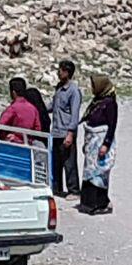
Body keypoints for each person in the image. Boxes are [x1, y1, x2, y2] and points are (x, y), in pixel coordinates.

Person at [78, 73, 118, 215]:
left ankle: (100, 203)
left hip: (101, 141)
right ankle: (88, 202)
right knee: (89, 172)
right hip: (92, 141)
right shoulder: (97, 101)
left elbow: (112, 125)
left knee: (99, 173)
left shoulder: (110, 103)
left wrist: (106, 144)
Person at [49, 60, 82, 198]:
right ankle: (57, 188)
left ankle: (74, 190)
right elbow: (53, 106)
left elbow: (74, 115)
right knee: (56, 162)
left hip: (66, 132)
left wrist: (70, 134)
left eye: (61, 70)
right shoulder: (59, 88)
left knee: (69, 163)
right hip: (56, 131)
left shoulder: (73, 91)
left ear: (67, 72)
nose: (58, 72)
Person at [0, 76, 41, 144]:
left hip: (13, 142)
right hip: (28, 143)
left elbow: (1, 123)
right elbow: (37, 128)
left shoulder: (13, 108)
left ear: (13, 92)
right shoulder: (33, 108)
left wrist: (5, 136)